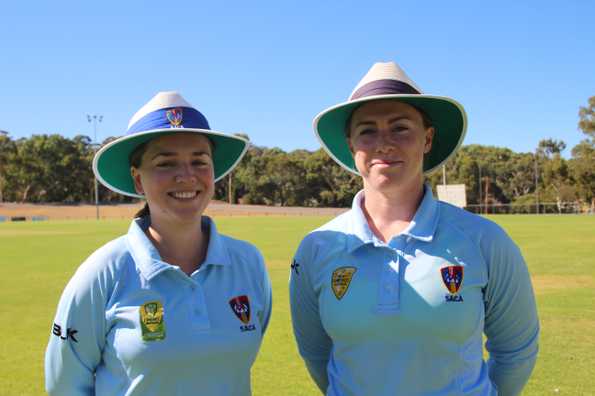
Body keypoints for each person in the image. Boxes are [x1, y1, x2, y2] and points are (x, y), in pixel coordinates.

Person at [290, 62, 539, 395]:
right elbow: (317, 353)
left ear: (428, 138)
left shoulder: (484, 240)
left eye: (400, 128)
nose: (383, 143)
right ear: (351, 145)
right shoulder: (316, 248)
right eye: (367, 130)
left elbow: (516, 352)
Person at [45, 91, 272, 395]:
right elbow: (65, 387)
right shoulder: (102, 273)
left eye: (199, 161)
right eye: (166, 163)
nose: (186, 176)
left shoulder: (248, 263)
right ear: (138, 180)